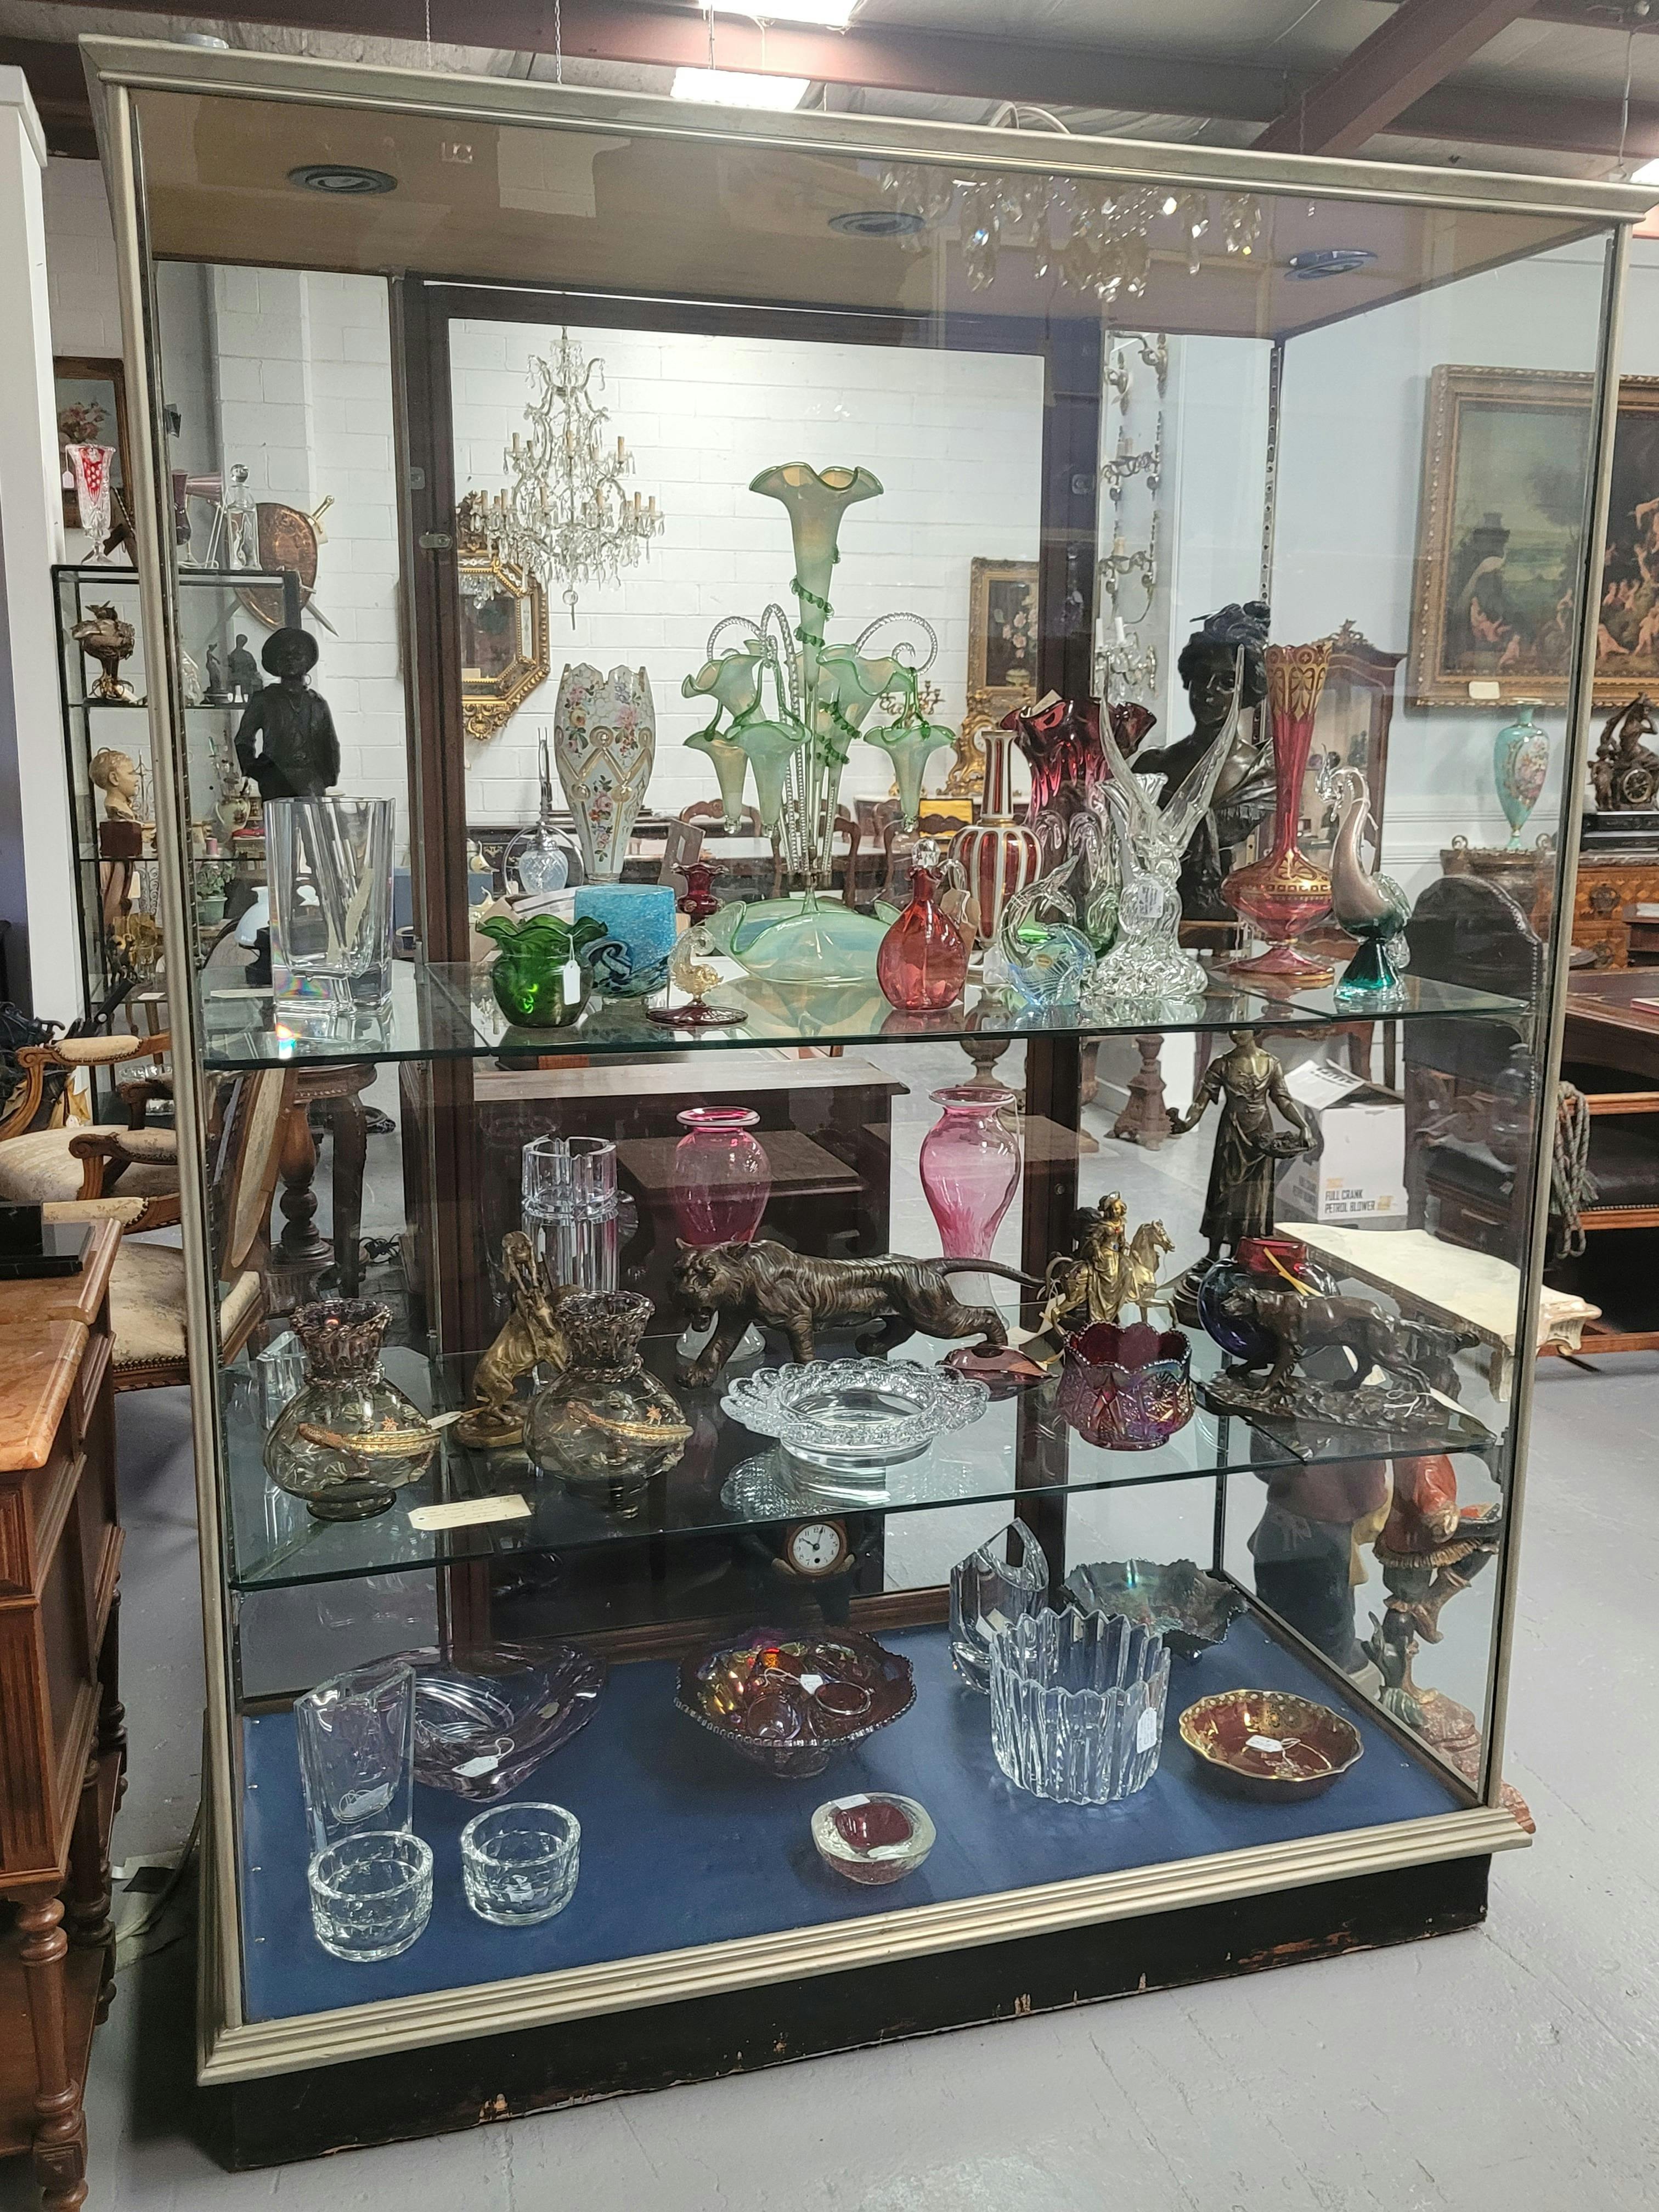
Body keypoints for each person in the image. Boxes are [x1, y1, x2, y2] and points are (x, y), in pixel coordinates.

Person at [1125, 600, 1271, 917]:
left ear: (1246, 691)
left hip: (1232, 912)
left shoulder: (1263, 778)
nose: (1208, 690)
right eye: (1202, 676)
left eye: (1227, 682)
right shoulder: (1154, 767)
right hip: (1161, 913)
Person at [234, 627, 340, 799]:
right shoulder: (263, 700)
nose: (290, 660)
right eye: (284, 656)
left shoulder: (317, 703)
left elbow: (330, 745)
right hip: (275, 781)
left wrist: (326, 778)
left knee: (311, 816)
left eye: (297, 656)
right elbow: (243, 740)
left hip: (311, 783)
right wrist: (259, 771)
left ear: (307, 662)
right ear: (276, 662)